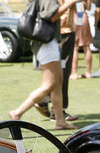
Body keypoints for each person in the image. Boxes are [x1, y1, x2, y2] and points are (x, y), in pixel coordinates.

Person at [8, 0, 80, 130]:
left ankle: (60, 121)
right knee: (49, 85)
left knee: (58, 82)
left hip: (49, 43)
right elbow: (51, 17)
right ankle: (17, 112)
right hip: (46, 44)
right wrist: (70, 3)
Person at [71, 0, 93, 79]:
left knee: (75, 47)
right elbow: (89, 7)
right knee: (86, 47)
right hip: (83, 16)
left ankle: (74, 73)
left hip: (74, 17)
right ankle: (88, 72)